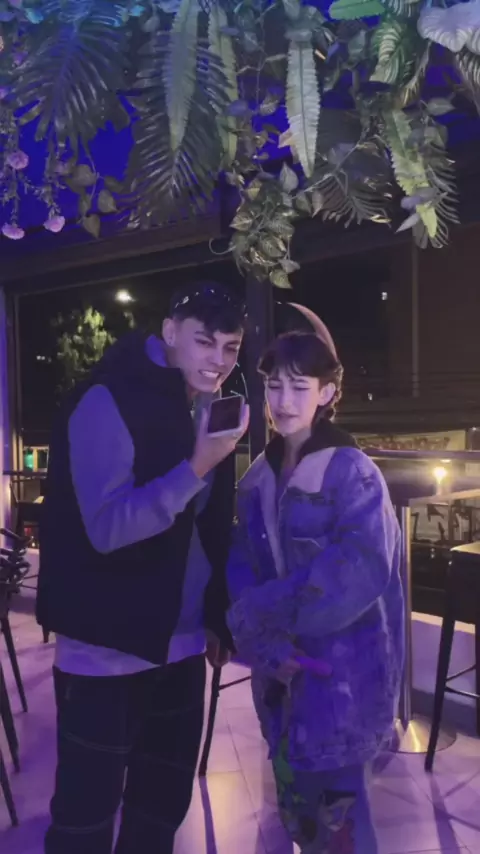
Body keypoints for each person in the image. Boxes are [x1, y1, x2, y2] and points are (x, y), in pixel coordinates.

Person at [36, 281, 249, 854]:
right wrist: (197, 465)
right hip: (105, 651)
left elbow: (206, 527)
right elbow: (107, 529)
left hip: (181, 647)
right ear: (170, 332)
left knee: (159, 813)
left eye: (230, 347)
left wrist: (215, 615)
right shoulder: (105, 398)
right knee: (84, 822)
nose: (218, 359)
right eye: (205, 341)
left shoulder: (206, 406)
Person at [227, 325, 404, 853]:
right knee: (300, 815)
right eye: (274, 386)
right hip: (281, 682)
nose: (283, 401)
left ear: (327, 393)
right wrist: (267, 647)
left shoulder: (353, 473)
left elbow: (360, 569)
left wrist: (264, 616)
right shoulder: (256, 478)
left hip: (341, 680)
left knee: (343, 826)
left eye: (299, 387)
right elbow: (241, 564)